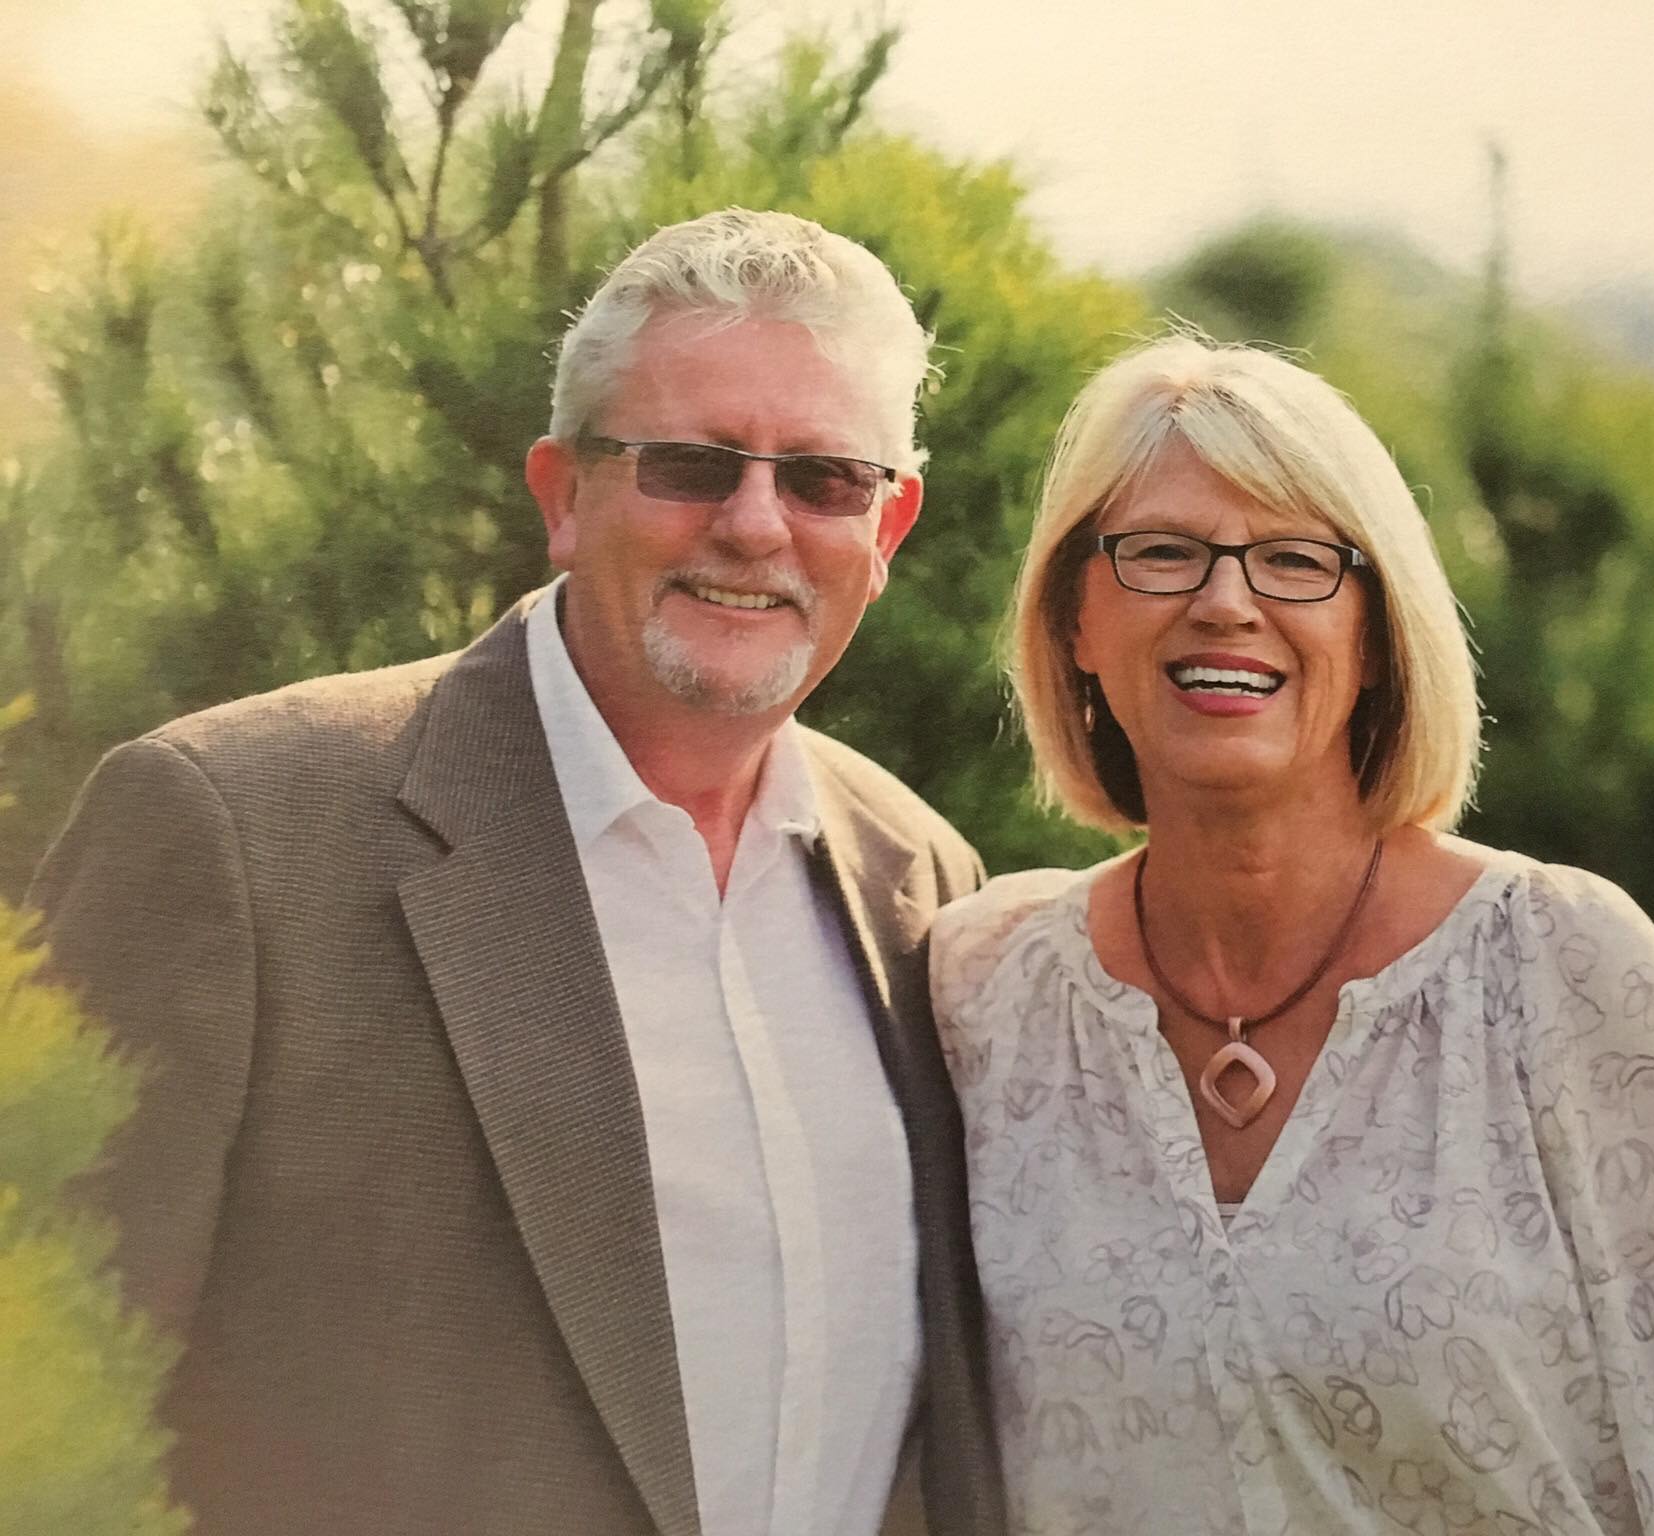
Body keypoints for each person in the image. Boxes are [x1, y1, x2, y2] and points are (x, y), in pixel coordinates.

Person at [30, 209, 1003, 1536]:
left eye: (824, 480)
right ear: (561, 496)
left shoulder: (922, 880)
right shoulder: (233, 834)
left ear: (887, 525)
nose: (755, 525)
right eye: (689, 465)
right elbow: (46, 1410)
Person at [931, 334, 1654, 1535]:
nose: (1224, 602)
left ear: (1379, 635)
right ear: (1073, 614)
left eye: (1293, 560)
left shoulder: (1555, 967)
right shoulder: (985, 990)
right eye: (1161, 552)